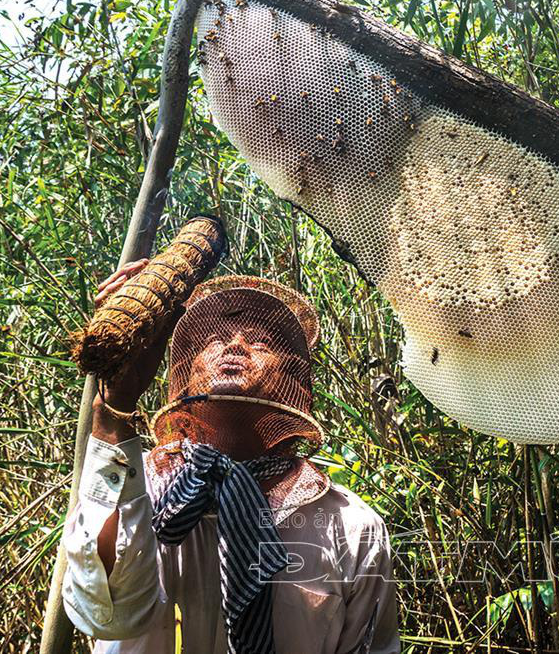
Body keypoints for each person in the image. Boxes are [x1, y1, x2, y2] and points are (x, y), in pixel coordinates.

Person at [62, 260, 400, 654]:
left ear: (292, 379)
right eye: (215, 338)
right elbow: (103, 615)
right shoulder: (140, 489)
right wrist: (111, 411)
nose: (235, 344)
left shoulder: (349, 526)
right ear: (186, 372)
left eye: (259, 341)